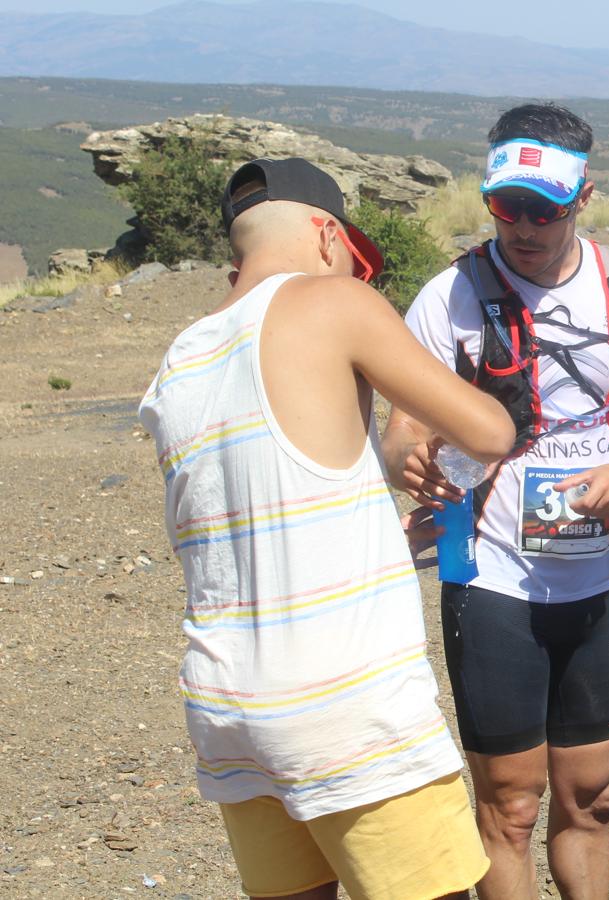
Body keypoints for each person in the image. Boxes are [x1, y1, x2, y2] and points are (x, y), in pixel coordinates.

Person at [138, 158, 516, 900]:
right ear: (324, 234)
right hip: (345, 708)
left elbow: (246, 524)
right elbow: (492, 432)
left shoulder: (178, 360)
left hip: (227, 703)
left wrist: (380, 538)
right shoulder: (331, 300)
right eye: (357, 259)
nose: (361, 277)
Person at [381, 103, 609, 900]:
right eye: (506, 205)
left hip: (592, 581)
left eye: (544, 209)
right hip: (491, 583)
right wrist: (409, 464)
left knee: (594, 797)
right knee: (511, 807)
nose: (523, 225)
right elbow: (399, 433)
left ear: (582, 196)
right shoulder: (448, 297)